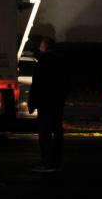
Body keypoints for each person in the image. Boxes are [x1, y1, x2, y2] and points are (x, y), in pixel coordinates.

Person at [27, 38, 69, 172]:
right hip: (56, 103)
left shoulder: (42, 63)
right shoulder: (61, 62)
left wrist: (32, 103)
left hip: (45, 104)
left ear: (45, 47)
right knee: (57, 131)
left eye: (41, 46)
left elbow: (37, 84)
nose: (39, 49)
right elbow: (66, 83)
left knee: (44, 134)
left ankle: (47, 162)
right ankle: (56, 161)